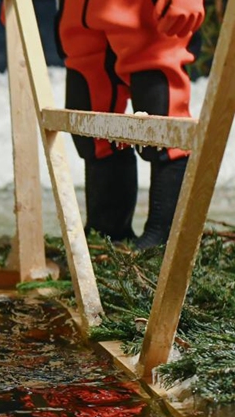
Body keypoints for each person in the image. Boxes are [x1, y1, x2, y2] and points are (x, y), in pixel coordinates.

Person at [55, 0, 205, 248]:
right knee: (89, 120)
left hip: (145, 13)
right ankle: (107, 229)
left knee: (163, 121)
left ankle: (165, 238)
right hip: (79, 15)